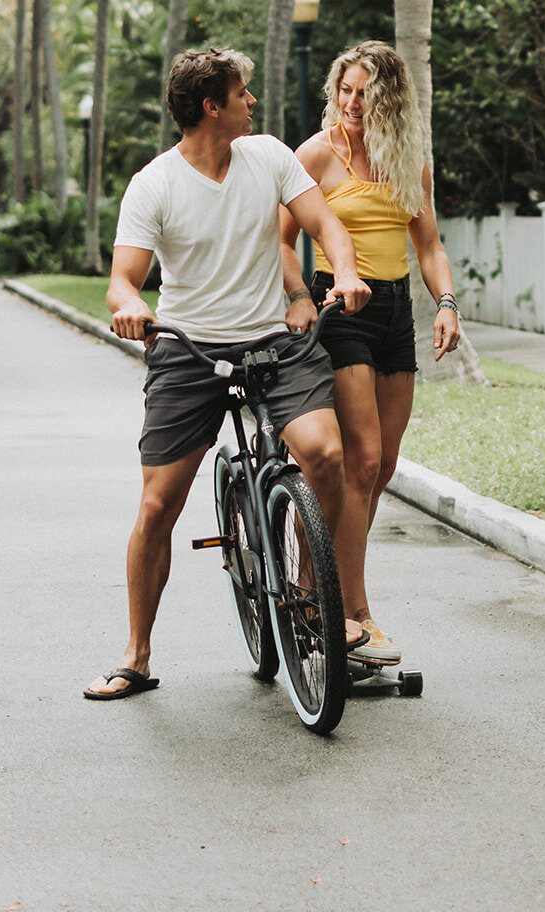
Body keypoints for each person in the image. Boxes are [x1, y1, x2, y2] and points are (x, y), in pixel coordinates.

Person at [84, 47, 371, 702]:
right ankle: (136, 655)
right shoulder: (154, 183)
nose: (251, 103)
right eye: (241, 93)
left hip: (273, 339)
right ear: (211, 106)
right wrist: (132, 308)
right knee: (159, 504)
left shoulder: (269, 156)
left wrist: (345, 271)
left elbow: (325, 224)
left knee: (324, 455)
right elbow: (122, 282)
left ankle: (306, 598)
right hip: (188, 350)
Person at [280, 40, 460, 668]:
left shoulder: (409, 160)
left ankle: (313, 581)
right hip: (341, 309)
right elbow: (278, 241)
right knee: (362, 460)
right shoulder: (315, 155)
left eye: (366, 93)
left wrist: (446, 302)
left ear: (390, 99)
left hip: (395, 312)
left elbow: (429, 245)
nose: (352, 104)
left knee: (381, 469)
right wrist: (301, 293)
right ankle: (353, 612)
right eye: (345, 90)